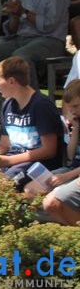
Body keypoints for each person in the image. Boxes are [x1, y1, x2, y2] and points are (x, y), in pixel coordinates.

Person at [0, 56, 61, 181]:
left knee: (3, 183)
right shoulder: (8, 105)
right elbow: (3, 145)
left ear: (11, 81)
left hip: (37, 163)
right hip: (14, 160)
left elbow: (49, 150)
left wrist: (9, 160)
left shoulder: (41, 105)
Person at [43, 79, 80, 225]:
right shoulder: (78, 120)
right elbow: (71, 156)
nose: (73, 111)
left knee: (51, 202)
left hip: (73, 173)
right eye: (70, 108)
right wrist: (75, 128)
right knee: (31, 189)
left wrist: (65, 177)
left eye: (76, 106)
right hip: (73, 169)